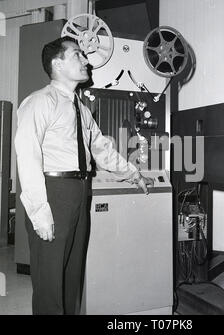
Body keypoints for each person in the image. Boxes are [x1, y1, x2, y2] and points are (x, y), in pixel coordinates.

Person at [15, 36, 153, 315]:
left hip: (80, 191)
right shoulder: (39, 102)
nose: (87, 60)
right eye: (77, 54)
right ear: (58, 64)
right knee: (50, 281)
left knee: (71, 277)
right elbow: (28, 157)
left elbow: (101, 149)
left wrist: (132, 173)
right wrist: (40, 212)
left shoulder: (81, 109)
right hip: (52, 192)